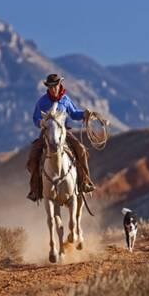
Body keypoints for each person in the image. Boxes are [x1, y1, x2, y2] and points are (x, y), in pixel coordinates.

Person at [26, 73, 96, 202]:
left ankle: (85, 182)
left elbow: (74, 114)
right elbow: (35, 118)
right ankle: (35, 189)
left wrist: (85, 114)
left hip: (63, 132)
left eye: (55, 86)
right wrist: (40, 122)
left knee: (81, 150)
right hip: (47, 133)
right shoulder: (42, 101)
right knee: (33, 156)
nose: (53, 89)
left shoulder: (65, 100)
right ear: (48, 87)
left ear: (59, 85)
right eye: (51, 86)